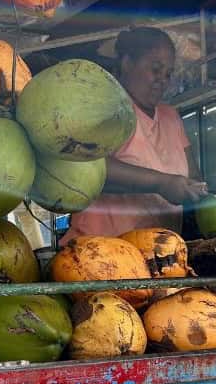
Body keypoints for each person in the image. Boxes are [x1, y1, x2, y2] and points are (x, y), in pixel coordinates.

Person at [64, 26, 207, 241]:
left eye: (168, 73)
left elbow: (192, 176)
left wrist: (199, 192)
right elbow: (87, 168)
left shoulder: (171, 118)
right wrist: (161, 183)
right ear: (127, 63)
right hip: (101, 251)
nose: (163, 80)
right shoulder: (104, 109)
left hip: (158, 255)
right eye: (156, 69)